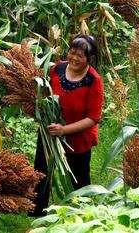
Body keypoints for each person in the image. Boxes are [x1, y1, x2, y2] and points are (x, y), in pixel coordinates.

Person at [32, 34, 104, 216]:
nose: (74, 58)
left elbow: (93, 118)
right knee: (41, 172)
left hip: (78, 138)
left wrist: (64, 130)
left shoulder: (93, 80)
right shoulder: (56, 69)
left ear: (89, 58)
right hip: (50, 131)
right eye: (72, 52)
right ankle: (37, 212)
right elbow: (43, 92)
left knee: (78, 178)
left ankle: (82, 213)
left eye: (80, 55)